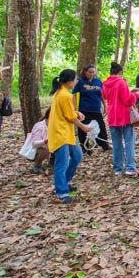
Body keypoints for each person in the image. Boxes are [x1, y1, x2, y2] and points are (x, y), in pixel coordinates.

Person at [48, 69, 91, 203]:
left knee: (77, 156)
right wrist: (83, 126)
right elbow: (69, 116)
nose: (76, 82)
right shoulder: (63, 95)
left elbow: (68, 112)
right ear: (68, 81)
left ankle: (63, 183)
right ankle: (61, 193)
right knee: (61, 163)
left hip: (67, 134)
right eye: (75, 79)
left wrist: (76, 112)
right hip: (60, 134)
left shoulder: (63, 93)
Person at [103, 62, 139, 176]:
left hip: (112, 117)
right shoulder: (121, 82)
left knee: (117, 143)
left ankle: (118, 168)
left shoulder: (105, 84)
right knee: (129, 142)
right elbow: (128, 100)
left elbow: (107, 96)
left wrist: (130, 92)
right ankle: (130, 168)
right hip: (123, 116)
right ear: (120, 73)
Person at [72, 64, 109, 154]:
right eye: (89, 72)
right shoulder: (80, 82)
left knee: (101, 127)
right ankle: (85, 147)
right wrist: (73, 108)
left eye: (93, 72)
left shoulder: (98, 81)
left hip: (96, 109)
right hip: (84, 109)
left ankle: (104, 144)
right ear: (85, 72)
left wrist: (105, 105)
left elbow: (102, 94)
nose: (92, 74)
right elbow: (74, 95)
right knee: (83, 128)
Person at [29, 107, 51, 173]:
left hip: (52, 148)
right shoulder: (40, 126)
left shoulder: (57, 126)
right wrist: (45, 141)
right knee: (46, 148)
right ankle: (37, 165)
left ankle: (52, 163)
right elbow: (35, 143)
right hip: (37, 149)